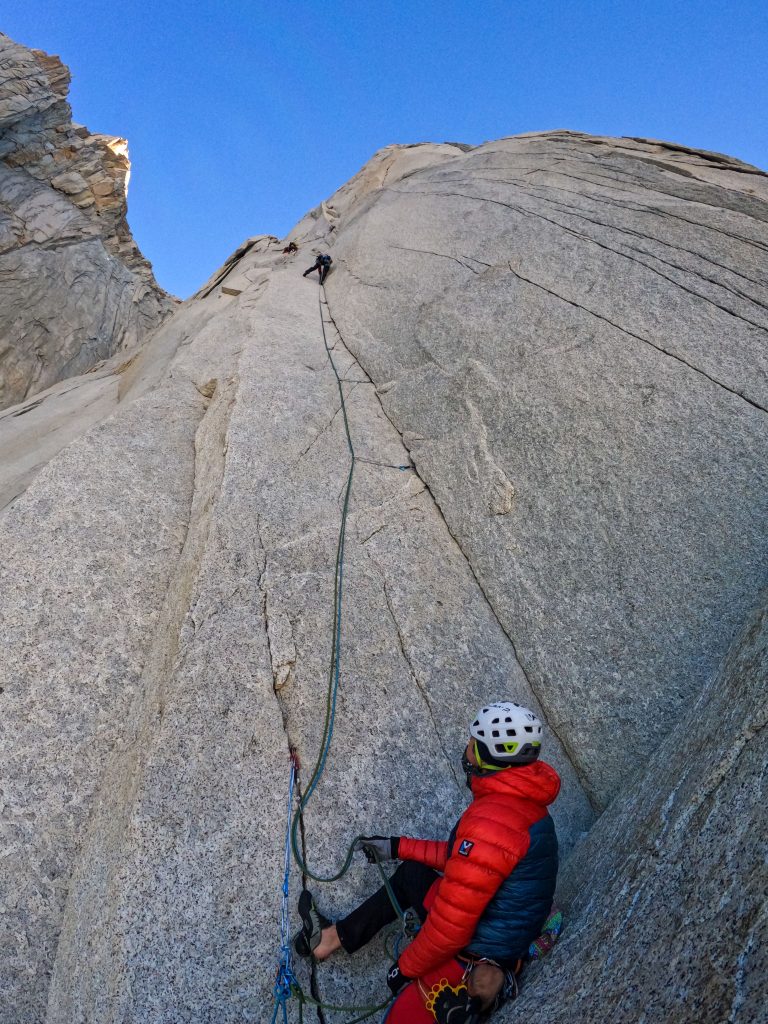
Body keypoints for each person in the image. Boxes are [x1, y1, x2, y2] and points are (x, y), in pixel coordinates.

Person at [294, 702, 560, 1023]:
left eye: (474, 744)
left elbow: (452, 925)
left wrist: (405, 968)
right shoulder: (523, 807)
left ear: (492, 757)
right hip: (499, 930)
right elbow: (460, 862)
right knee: (412, 875)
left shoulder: (491, 821)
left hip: (479, 950)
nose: (467, 750)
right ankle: (329, 939)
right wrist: (396, 847)